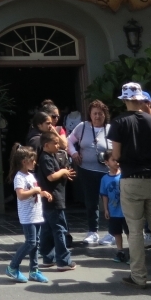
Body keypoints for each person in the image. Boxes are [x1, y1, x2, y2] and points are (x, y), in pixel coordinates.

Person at [106, 82, 151, 289]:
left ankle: (139, 276)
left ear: (125, 99)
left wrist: (123, 157)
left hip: (131, 179)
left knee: (135, 230)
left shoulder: (119, 122)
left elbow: (116, 155)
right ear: (141, 99)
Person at [67, 100, 112, 245]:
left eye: (100, 113)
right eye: (95, 113)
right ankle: (93, 231)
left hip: (107, 172)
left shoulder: (111, 129)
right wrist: (73, 153)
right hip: (86, 170)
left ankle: (112, 232)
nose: (97, 116)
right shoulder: (82, 127)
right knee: (91, 202)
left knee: (111, 202)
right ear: (90, 115)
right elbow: (68, 141)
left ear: (105, 115)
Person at [5, 143, 51, 284]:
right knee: (31, 242)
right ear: (24, 162)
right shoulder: (19, 177)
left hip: (36, 214)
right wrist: (36, 191)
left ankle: (34, 270)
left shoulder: (30, 176)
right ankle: (13, 266)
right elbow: (21, 195)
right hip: (28, 216)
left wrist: (42, 193)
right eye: (33, 160)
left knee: (35, 243)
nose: (35, 162)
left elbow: (33, 191)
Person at [36, 130, 76, 271]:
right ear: (46, 145)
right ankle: (63, 261)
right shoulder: (46, 158)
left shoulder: (50, 156)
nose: (58, 144)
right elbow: (51, 177)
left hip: (50, 200)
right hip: (54, 200)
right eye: (55, 143)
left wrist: (65, 173)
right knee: (60, 229)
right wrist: (63, 172)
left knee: (47, 229)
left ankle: (48, 258)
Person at [100, 155, 128, 263]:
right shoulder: (104, 179)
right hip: (114, 211)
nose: (116, 162)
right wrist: (106, 209)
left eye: (118, 160)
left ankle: (134, 253)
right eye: (113, 160)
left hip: (126, 211)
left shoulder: (124, 175)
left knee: (130, 232)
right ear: (106, 162)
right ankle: (120, 251)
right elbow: (104, 195)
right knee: (117, 233)